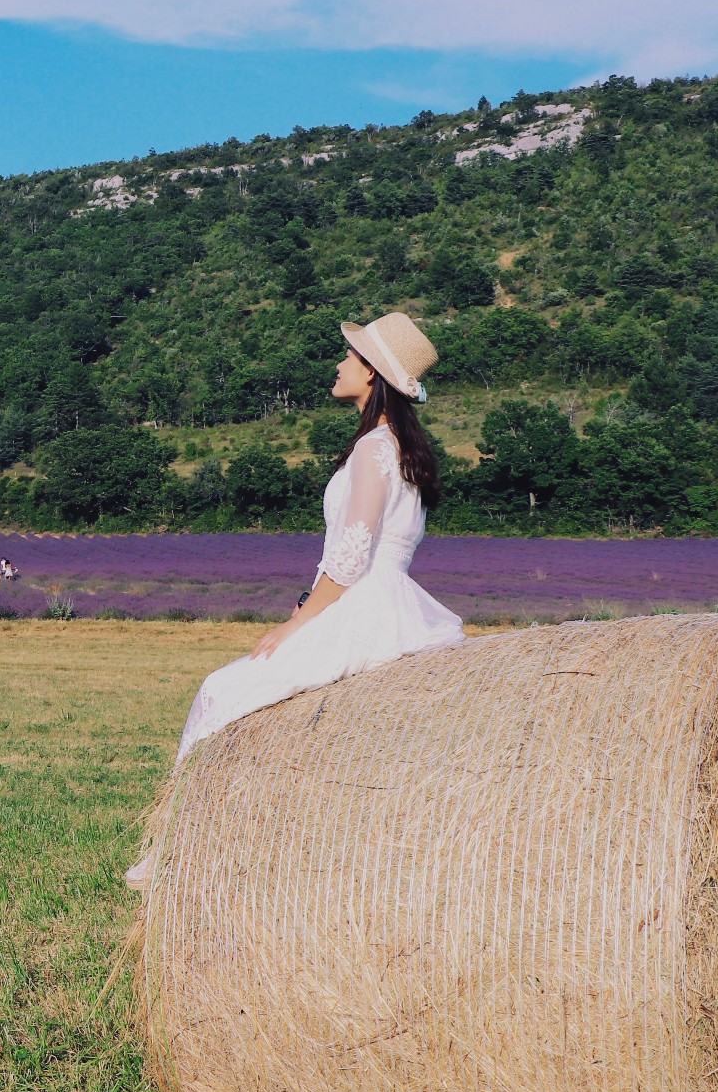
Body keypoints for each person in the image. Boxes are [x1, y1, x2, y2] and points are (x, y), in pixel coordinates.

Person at [124, 311, 464, 890]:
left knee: (220, 692)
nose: (338, 364)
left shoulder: (372, 451)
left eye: (350, 358)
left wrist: (297, 624)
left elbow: (352, 554)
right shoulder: (404, 452)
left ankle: (174, 851)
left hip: (361, 602)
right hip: (394, 601)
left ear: (372, 375)